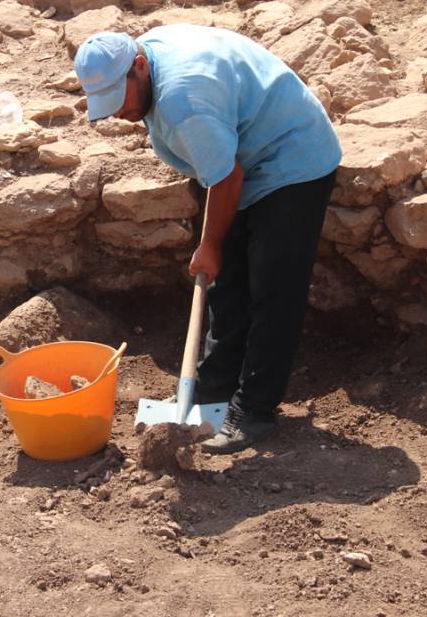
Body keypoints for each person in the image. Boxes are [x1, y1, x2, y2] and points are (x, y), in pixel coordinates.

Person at [74, 24, 342, 454]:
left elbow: (227, 177)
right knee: (228, 281)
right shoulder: (150, 62)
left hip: (292, 159)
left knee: (273, 291)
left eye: (116, 99)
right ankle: (212, 392)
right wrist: (218, 251)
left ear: (138, 67)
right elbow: (222, 172)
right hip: (243, 160)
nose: (115, 114)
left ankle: (253, 411)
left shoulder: (184, 100)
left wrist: (211, 245)